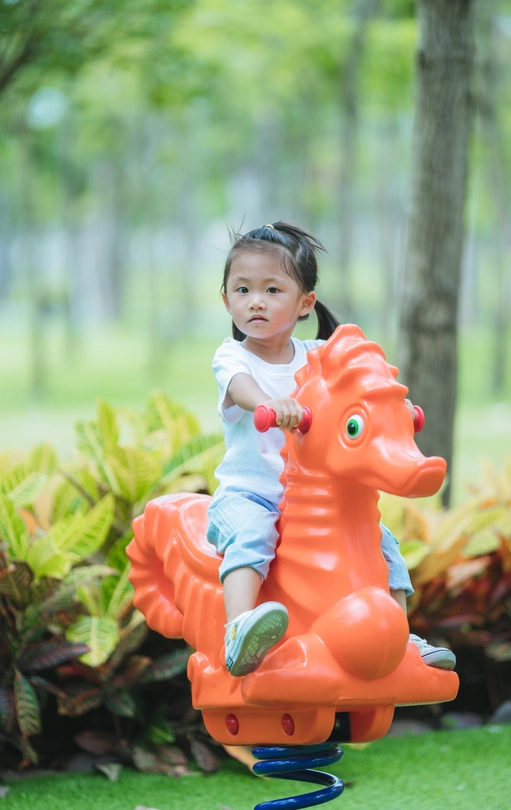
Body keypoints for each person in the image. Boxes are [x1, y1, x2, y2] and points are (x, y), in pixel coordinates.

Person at [206, 221, 456, 677]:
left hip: (307, 499)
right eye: (242, 290)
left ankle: (400, 634)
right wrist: (267, 403)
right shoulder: (233, 356)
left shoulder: (316, 355)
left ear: (305, 303)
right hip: (251, 495)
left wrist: (391, 412)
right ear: (227, 300)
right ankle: (238, 628)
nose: (255, 300)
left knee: (381, 544)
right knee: (252, 535)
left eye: (272, 290)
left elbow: (356, 393)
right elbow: (240, 388)